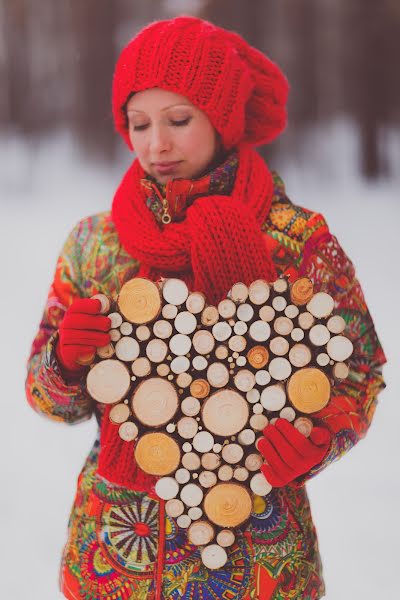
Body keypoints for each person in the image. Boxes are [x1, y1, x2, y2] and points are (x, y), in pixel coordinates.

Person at [25, 16, 386, 600]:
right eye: (139, 124)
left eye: (179, 120)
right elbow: (48, 399)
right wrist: (63, 363)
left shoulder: (296, 241)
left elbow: (361, 372)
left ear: (222, 121)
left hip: (258, 549)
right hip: (121, 552)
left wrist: (321, 438)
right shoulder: (96, 244)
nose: (156, 144)